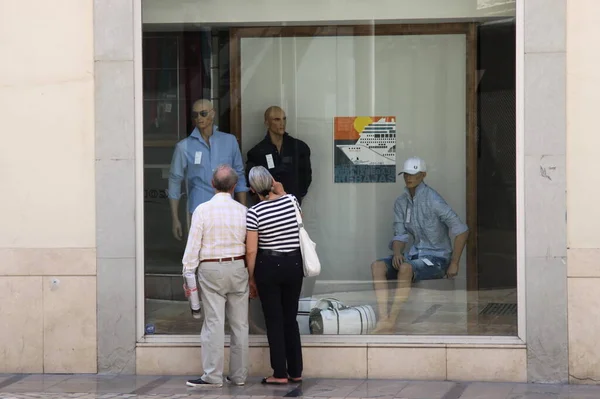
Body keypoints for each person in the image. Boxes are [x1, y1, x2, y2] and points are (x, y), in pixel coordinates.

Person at [370, 157, 469, 334]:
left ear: (423, 175)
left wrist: (454, 262)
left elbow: (461, 230)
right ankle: (383, 318)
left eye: (414, 174)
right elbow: (399, 234)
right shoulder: (401, 202)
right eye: (406, 174)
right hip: (414, 257)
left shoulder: (434, 200)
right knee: (378, 266)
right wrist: (398, 252)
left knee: (406, 269)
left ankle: (392, 320)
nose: (409, 178)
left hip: (437, 259)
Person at [182, 165, 250, 388]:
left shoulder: (202, 210)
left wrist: (188, 274)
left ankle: (213, 376)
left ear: (212, 184)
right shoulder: (243, 211)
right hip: (238, 266)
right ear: (233, 187)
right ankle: (239, 376)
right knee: (240, 325)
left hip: (211, 269)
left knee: (214, 323)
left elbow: (193, 246)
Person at [245, 166, 304, 385]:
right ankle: (296, 370)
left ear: (252, 189)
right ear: (272, 182)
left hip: (268, 265)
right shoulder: (291, 201)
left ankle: (279, 373)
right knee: (291, 319)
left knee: (274, 320)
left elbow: (251, 250)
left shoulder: (255, 213)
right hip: (293, 263)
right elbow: (300, 221)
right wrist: (282, 190)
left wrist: (251, 277)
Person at [169, 99, 248, 241]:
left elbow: (239, 175)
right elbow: (175, 180)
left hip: (228, 209)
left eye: (203, 113)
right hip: (199, 210)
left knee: (229, 251)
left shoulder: (229, 141)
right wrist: (175, 218)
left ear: (213, 114)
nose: (199, 118)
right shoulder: (184, 147)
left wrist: (244, 210)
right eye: (195, 115)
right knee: (199, 253)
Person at [246, 106, 312, 204]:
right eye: (277, 119)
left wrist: (296, 197)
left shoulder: (299, 148)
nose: (282, 123)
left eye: (284, 119)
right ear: (267, 122)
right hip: (268, 206)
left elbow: (305, 177)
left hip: (292, 204)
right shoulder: (257, 152)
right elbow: (252, 182)